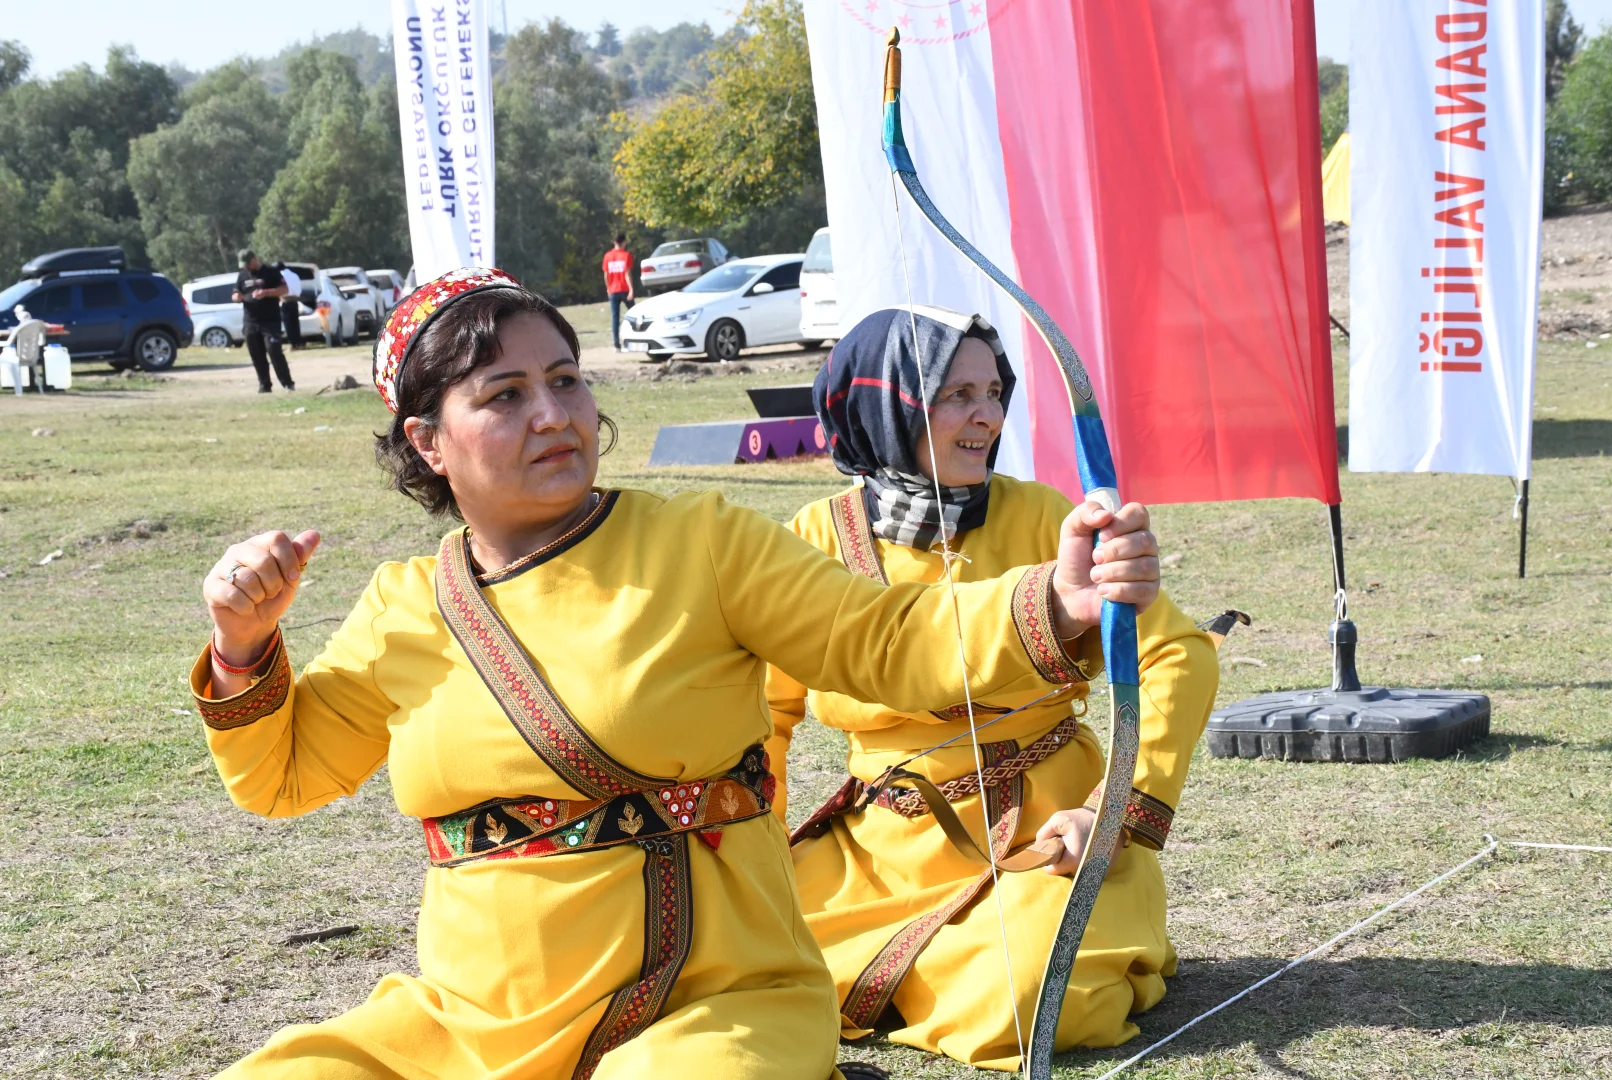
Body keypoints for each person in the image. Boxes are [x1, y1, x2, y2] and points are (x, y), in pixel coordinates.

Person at [190, 269, 1162, 1079]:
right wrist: (241, 646)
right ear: (427, 443)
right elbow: (285, 777)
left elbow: (888, 638)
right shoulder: (404, 604)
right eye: (504, 396)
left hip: (705, 1002)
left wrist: (1060, 599)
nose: (553, 415)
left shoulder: (703, 545)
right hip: (475, 1020)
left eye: (566, 380)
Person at [766, 307, 1219, 1072]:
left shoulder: (1045, 515)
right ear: (886, 404)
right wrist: (754, 861)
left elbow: (1178, 652)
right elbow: (761, 718)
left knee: (1030, 989)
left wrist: (1109, 813)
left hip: (1047, 833)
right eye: (956, 394)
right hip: (881, 848)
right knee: (753, 967)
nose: (987, 415)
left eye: (994, 390)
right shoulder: (812, 538)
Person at [231, 249, 294, 392]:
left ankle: (287, 383)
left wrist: (266, 293)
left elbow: (284, 289)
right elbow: (235, 292)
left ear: (255, 259)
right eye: (244, 265)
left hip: (270, 321)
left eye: (248, 264)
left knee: (274, 351)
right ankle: (264, 385)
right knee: (256, 355)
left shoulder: (271, 272)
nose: (246, 267)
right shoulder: (242, 275)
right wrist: (236, 297)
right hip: (250, 322)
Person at [601, 233, 634, 351]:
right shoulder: (626, 255)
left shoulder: (607, 256)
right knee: (634, 315)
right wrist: (631, 290)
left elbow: (606, 275)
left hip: (613, 290)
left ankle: (616, 345)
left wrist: (608, 288)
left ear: (614, 242)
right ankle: (636, 340)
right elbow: (627, 274)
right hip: (624, 290)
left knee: (615, 318)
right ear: (624, 242)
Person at [277, 262, 305, 350]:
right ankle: (298, 342)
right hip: (295, 301)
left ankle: (293, 344)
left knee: (288, 324)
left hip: (286, 301)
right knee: (295, 323)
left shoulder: (280, 275)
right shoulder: (295, 275)